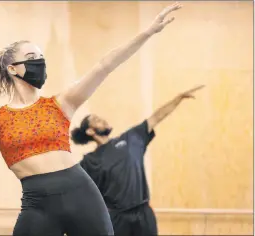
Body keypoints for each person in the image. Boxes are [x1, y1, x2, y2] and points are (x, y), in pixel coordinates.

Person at [0, 3, 182, 235]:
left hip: (81, 194)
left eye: (41, 56)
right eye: (31, 56)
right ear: (13, 69)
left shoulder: (61, 103)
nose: (40, 61)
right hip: (37, 204)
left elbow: (105, 65)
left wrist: (147, 33)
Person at [71, 85, 204, 236]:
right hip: (117, 219)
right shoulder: (90, 161)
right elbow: (76, 191)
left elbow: (156, 117)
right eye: (96, 120)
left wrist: (178, 99)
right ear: (90, 131)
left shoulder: (131, 138)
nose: (101, 119)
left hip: (143, 214)